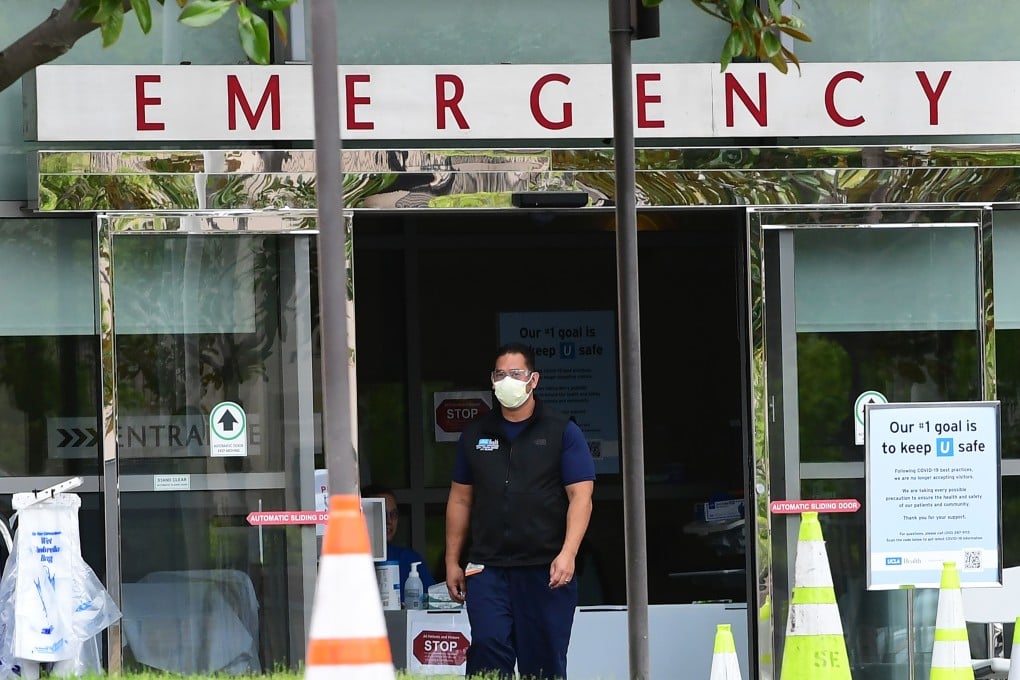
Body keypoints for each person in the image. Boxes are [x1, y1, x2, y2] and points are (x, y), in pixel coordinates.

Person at [445, 342, 596, 680]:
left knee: (543, 662)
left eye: (516, 374)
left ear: (533, 380)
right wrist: (452, 560)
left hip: (546, 571)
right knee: (487, 647)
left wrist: (568, 553)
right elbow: (459, 501)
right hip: (488, 568)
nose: (508, 381)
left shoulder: (562, 431)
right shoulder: (475, 435)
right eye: (501, 374)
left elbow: (581, 498)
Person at [362, 483, 435, 600]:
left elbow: (433, 603)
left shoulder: (409, 559)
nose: (389, 521)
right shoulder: (349, 560)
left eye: (393, 514)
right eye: (382, 513)